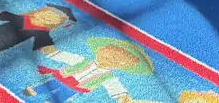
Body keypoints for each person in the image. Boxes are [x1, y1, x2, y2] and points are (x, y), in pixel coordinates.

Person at [23, 38, 155, 103]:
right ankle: (33, 90)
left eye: (119, 59)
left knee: (61, 97)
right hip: (60, 78)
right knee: (45, 86)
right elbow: (65, 56)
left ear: (124, 66)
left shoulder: (109, 77)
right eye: (111, 53)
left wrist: (125, 98)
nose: (112, 58)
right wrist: (51, 51)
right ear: (100, 50)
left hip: (76, 89)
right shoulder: (83, 60)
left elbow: (116, 89)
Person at [0, 5, 76, 58]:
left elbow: (43, 40)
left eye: (54, 18)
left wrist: (46, 47)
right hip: (2, 29)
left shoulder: (42, 30)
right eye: (48, 14)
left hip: (12, 39)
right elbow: (11, 16)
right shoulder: (25, 18)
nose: (48, 17)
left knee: (1, 44)